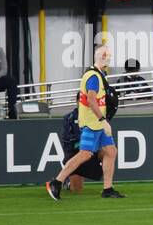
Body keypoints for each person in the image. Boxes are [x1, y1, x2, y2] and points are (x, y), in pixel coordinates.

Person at [45, 46, 125, 200]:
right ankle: (56, 182)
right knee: (85, 154)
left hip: (97, 123)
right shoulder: (93, 77)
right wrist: (103, 120)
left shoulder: (100, 74)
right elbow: (91, 99)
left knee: (111, 151)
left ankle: (107, 189)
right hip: (92, 123)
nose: (109, 57)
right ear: (100, 57)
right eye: (106, 55)